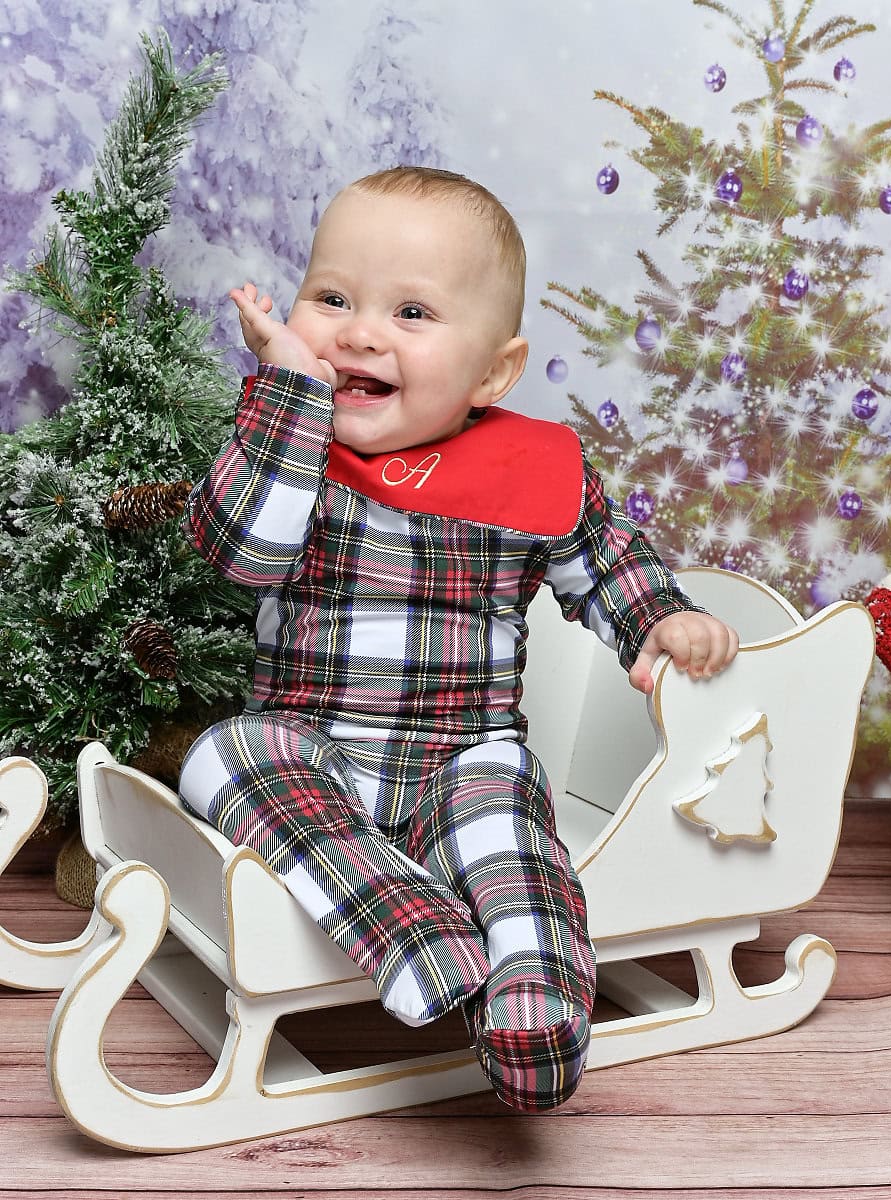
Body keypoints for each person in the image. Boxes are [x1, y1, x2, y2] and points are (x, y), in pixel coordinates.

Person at [179, 166, 738, 1112]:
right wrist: (286, 395)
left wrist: (660, 619)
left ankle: (536, 999)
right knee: (223, 757)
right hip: (315, 744)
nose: (359, 332)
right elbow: (241, 553)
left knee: (507, 837)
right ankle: (416, 931)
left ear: (492, 372)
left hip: (463, 753)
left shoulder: (530, 469)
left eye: (410, 312)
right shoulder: (295, 447)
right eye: (331, 299)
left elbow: (602, 562)